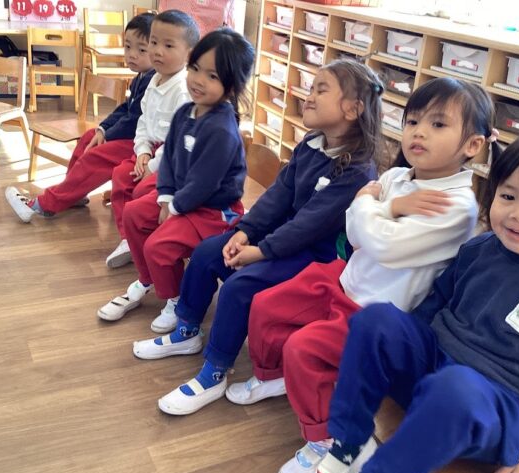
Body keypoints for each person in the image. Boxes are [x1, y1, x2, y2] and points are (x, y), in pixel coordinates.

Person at [225, 78, 502, 473]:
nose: (419, 132)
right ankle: (274, 376)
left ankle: (330, 439)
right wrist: (388, 208)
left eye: (438, 124)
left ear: (472, 145)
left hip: (375, 308)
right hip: (346, 278)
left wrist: (369, 205)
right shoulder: (397, 178)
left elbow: (382, 243)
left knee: (303, 349)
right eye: (412, 121)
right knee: (267, 305)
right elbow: (355, 235)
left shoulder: (456, 207)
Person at [311, 126, 519, 473]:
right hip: (436, 374)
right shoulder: (478, 248)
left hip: (498, 407)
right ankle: (348, 441)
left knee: (455, 388)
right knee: (376, 320)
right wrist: (401, 350)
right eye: (508, 196)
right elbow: (433, 304)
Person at [132, 59, 383, 416]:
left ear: (352, 109)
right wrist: (244, 231)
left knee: (239, 287)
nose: (309, 96)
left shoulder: (358, 170)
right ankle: (187, 330)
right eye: (311, 88)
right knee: (207, 253)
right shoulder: (311, 143)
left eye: (321, 90)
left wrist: (260, 251)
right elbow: (277, 197)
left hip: (316, 257)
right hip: (280, 240)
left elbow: (308, 226)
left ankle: (214, 372)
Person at [96, 28, 255, 335]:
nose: (198, 80)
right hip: (184, 199)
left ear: (232, 85)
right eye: (195, 68)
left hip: (214, 210)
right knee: (133, 214)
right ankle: (148, 279)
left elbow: (204, 183)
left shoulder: (222, 129)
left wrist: (174, 207)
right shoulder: (185, 112)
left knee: (159, 245)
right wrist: (166, 197)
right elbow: (168, 158)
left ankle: (175, 297)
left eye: (212, 76)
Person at [5, 12, 156, 223]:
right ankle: (72, 194)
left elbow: (134, 121)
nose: (132, 55)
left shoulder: (153, 80)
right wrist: (103, 129)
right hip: (133, 136)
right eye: (128, 47)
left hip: (142, 143)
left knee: (95, 156)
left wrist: (108, 135)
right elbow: (126, 108)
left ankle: (45, 203)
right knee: (88, 138)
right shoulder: (142, 76)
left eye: (141, 50)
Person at [105, 9, 199, 268]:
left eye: (168, 45)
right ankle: (128, 237)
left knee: (142, 189)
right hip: (152, 151)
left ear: (189, 54)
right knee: (121, 175)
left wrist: (153, 164)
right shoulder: (154, 80)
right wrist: (143, 150)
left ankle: (151, 237)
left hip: (173, 160)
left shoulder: (184, 90)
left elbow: (178, 143)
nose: (157, 51)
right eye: (154, 42)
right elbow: (143, 122)